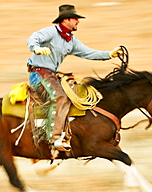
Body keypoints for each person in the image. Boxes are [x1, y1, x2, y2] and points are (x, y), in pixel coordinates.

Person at [27, 4, 122, 151]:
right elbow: (34, 38)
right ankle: (55, 137)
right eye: (75, 19)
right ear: (65, 20)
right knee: (60, 97)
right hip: (39, 75)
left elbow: (89, 53)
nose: (78, 21)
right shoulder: (50, 32)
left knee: (78, 95)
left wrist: (109, 54)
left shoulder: (71, 40)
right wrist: (37, 48)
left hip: (52, 76)